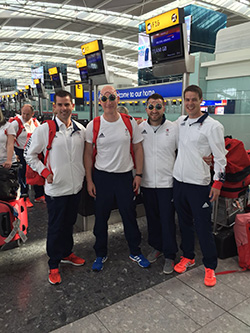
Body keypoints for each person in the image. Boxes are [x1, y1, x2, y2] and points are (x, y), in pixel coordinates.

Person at [84, 85, 150, 271]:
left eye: (111, 97)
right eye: (104, 99)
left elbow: (138, 148)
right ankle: (100, 253)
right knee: (101, 218)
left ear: (118, 99)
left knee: (129, 215)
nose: (108, 102)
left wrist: (138, 174)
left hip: (124, 177)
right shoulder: (94, 125)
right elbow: (88, 154)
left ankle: (135, 251)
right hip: (102, 178)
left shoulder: (129, 123)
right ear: (99, 102)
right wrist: (89, 180)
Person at [24, 90, 86, 285]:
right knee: (56, 227)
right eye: (59, 105)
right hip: (56, 189)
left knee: (69, 224)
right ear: (54, 107)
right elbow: (30, 155)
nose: (63, 108)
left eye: (66, 104)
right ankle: (53, 263)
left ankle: (67, 253)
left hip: (75, 187)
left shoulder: (80, 130)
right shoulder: (45, 129)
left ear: (72, 106)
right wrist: (45, 172)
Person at [173, 85, 227, 287]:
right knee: (184, 224)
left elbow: (221, 158)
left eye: (193, 99)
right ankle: (188, 256)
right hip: (179, 183)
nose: (189, 103)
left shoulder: (213, 126)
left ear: (201, 100)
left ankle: (210, 266)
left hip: (199, 185)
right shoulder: (181, 122)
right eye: (187, 100)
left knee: (203, 227)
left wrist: (217, 183)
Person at [139, 93, 178, 274]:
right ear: (146, 108)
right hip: (147, 183)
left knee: (167, 220)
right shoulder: (139, 128)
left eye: (158, 106)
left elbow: (186, 149)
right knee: (152, 219)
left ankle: (170, 255)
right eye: (151, 106)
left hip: (167, 184)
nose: (154, 110)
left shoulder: (174, 128)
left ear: (164, 108)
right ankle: (157, 247)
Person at [11, 104, 44, 207]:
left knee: (36, 173)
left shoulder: (35, 123)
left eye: (27, 114)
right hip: (20, 152)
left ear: (32, 114)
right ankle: (24, 198)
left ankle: (39, 195)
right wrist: (14, 154)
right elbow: (10, 140)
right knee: (23, 175)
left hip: (33, 152)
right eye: (23, 113)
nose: (25, 116)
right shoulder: (16, 123)